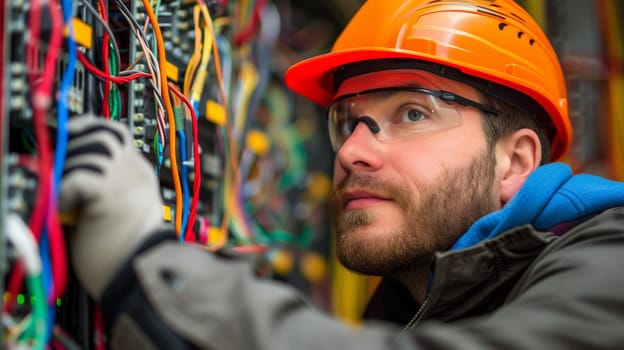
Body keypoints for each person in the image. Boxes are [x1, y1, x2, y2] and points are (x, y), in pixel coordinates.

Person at [59, 0, 624, 349]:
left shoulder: (610, 260)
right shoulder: (410, 305)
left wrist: (146, 268)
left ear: (516, 162)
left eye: (412, 113)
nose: (354, 150)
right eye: (348, 121)